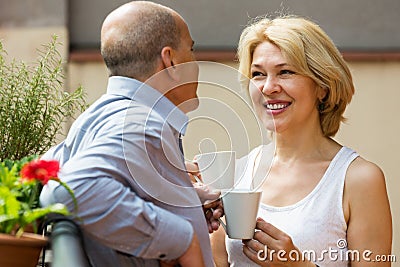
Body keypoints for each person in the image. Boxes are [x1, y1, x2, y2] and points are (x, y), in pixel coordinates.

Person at [39, 1, 221, 266]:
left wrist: (181, 202)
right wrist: (182, 237)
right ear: (170, 60)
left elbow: (39, 172)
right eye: (191, 50)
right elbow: (68, 189)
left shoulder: (95, 117)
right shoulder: (141, 125)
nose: (195, 62)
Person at [210, 15, 392, 266]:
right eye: (258, 74)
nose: (268, 87)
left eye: (285, 72)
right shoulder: (235, 173)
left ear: (323, 86)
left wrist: (298, 265)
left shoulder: (358, 179)